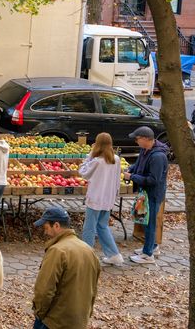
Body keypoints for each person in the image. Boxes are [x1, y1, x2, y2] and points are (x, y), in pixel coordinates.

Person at [32, 206, 100, 329]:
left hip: (55, 320)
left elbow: (44, 290)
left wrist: (39, 314)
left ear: (56, 225)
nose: (45, 232)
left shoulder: (57, 251)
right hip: (79, 320)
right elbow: (93, 288)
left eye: (46, 228)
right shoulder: (89, 250)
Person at [125, 126, 169, 264]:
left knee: (149, 223)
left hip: (153, 194)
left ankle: (147, 255)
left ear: (145, 139)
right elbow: (138, 165)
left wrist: (132, 177)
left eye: (137, 139)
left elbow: (153, 180)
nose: (136, 141)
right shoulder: (145, 150)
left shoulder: (158, 157)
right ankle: (153, 247)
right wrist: (130, 169)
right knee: (144, 220)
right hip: (144, 193)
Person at [78, 132, 123, 266]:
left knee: (89, 228)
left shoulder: (97, 161)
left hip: (95, 198)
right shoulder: (116, 159)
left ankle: (87, 257)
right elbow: (117, 178)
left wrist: (90, 155)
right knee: (102, 226)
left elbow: (83, 172)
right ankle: (114, 255)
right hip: (108, 198)